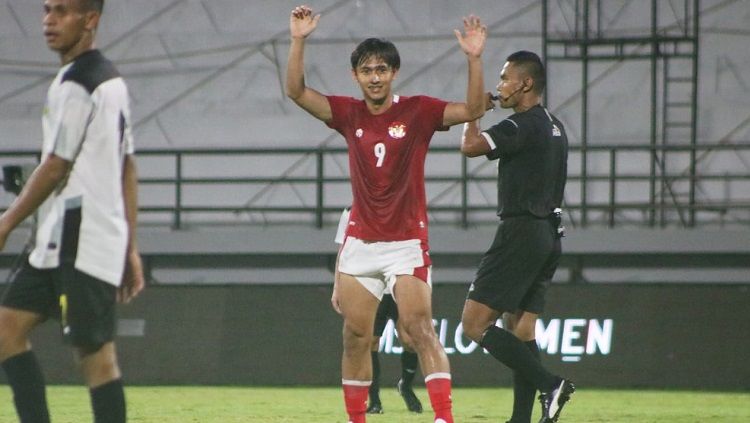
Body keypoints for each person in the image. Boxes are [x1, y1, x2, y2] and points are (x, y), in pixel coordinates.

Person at [287, 5, 487, 422]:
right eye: (366, 70)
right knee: (356, 337)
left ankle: (444, 418)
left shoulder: (418, 110)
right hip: (361, 243)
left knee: (419, 331)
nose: (374, 76)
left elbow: (471, 110)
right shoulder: (348, 113)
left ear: (394, 72)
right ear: (355, 76)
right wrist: (298, 40)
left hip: (406, 244)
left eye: (381, 68)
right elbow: (296, 92)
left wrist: (474, 59)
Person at [0, 1, 144, 422]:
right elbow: (128, 164)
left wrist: (7, 221)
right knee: (6, 331)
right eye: (46, 10)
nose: (48, 20)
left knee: (96, 356)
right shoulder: (108, 80)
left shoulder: (81, 83)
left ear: (90, 20)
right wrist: (131, 245)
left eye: (61, 11)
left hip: (84, 238)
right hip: (57, 239)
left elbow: (56, 164)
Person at [459, 50, 574, 423]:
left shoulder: (520, 124)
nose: (500, 85)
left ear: (525, 83)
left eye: (505, 77)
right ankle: (520, 419)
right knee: (521, 328)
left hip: (522, 230)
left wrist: (476, 111)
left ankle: (551, 384)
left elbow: (469, 147)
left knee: (474, 325)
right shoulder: (555, 125)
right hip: (549, 232)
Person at [332, 209, 423, 415]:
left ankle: (405, 386)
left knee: (410, 341)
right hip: (372, 288)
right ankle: (374, 400)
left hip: (398, 284)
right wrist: (337, 286)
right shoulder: (351, 212)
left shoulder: (399, 205)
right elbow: (343, 252)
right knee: (370, 342)